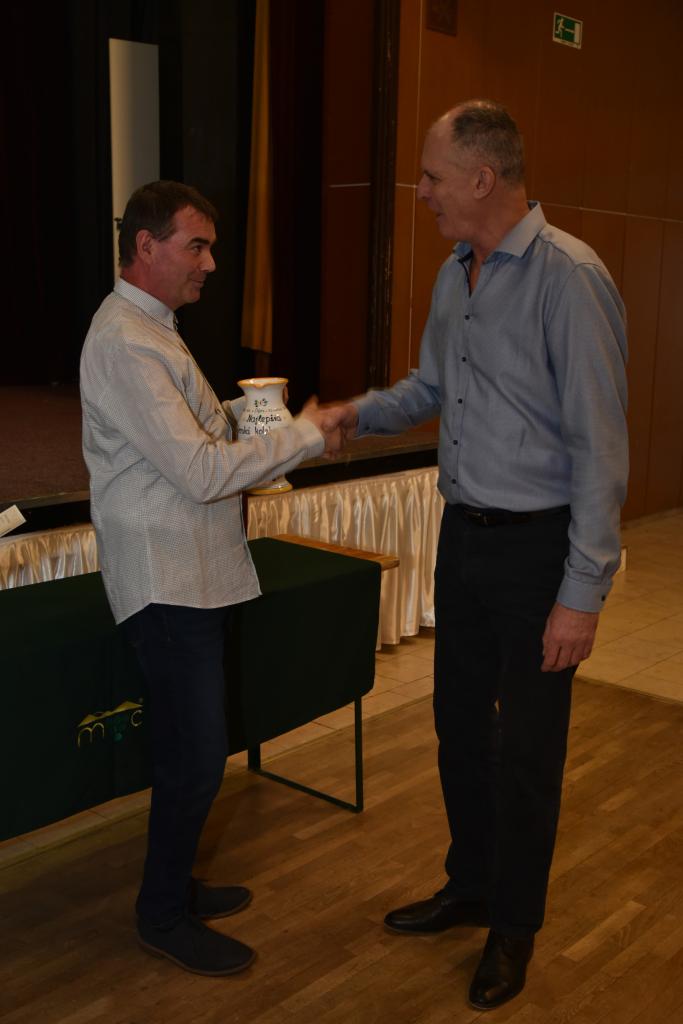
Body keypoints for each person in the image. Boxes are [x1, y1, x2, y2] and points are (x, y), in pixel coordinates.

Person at [330, 101, 628, 1010]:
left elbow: (601, 449)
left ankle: (514, 925)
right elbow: (430, 385)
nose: (420, 192)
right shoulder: (454, 272)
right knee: (458, 727)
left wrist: (580, 595)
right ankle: (471, 885)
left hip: (537, 553)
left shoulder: (569, 277)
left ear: (480, 178)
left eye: (430, 177)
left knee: (527, 753)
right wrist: (355, 415)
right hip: (462, 538)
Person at [80, 180, 343, 977]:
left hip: (191, 571)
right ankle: (161, 914)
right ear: (145, 246)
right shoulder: (127, 339)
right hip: (167, 578)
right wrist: (299, 437)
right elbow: (197, 472)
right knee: (192, 758)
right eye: (196, 246)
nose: (211, 264)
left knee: (194, 750)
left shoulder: (150, 327)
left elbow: (184, 435)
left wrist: (247, 413)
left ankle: (175, 890)